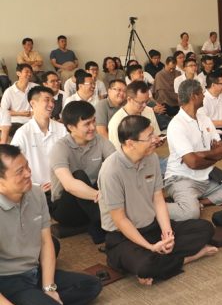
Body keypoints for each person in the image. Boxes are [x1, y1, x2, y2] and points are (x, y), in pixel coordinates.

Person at [0, 145, 102, 305]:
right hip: (7, 281)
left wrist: (49, 288)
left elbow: (46, 243)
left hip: (33, 272)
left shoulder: (36, 193)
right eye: (20, 171)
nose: (29, 173)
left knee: (91, 285)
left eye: (27, 166)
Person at [98, 116, 217, 286]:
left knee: (204, 229)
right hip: (123, 236)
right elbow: (120, 219)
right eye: (150, 137)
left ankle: (161, 261)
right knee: (145, 266)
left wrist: (167, 233)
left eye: (154, 134)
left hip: (151, 226)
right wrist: (150, 247)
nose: (156, 140)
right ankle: (188, 258)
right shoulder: (111, 171)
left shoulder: (151, 158)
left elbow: (158, 198)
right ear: (131, 143)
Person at [165, 80, 222, 221]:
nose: (204, 95)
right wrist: (213, 156)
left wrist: (203, 155)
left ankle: (201, 202)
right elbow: (192, 163)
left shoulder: (204, 118)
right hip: (182, 178)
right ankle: (153, 206)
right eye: (201, 93)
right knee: (191, 214)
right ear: (194, 96)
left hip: (206, 177)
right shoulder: (177, 125)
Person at [50, 101, 116, 244]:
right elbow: (69, 185)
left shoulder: (100, 141)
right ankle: (103, 224)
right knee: (78, 175)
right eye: (87, 124)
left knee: (111, 174)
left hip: (95, 202)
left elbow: (118, 166)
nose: (93, 127)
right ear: (71, 127)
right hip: (67, 208)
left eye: (94, 121)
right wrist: (101, 196)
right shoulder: (60, 147)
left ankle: (105, 220)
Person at [11, 86, 67, 204]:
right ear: (33, 103)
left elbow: (71, 158)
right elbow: (13, 166)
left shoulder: (62, 129)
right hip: (34, 193)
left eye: (53, 101)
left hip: (62, 187)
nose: (51, 104)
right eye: (46, 100)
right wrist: (33, 189)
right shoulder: (23, 133)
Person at [108, 81, 161, 150]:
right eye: (141, 102)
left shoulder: (148, 110)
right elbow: (116, 151)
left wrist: (158, 140)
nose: (144, 105)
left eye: (146, 101)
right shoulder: (116, 122)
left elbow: (156, 134)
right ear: (129, 99)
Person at [1, 63, 38, 134]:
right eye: (27, 72)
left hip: (33, 121)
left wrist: (34, 112)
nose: (29, 74)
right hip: (15, 122)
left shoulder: (36, 87)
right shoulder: (9, 91)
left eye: (30, 72)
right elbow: (3, 112)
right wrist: (20, 113)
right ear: (18, 73)